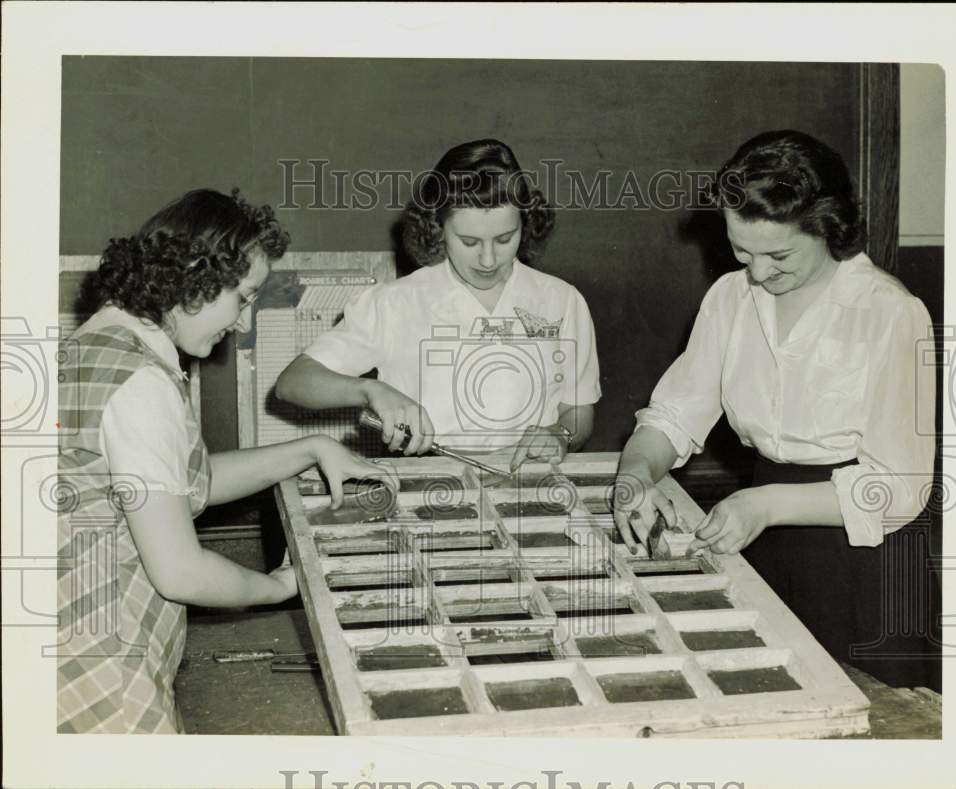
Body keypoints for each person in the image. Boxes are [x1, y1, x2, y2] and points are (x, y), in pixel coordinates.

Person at [57, 188, 388, 733]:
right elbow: (183, 573)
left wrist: (311, 448)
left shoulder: (102, 341)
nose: (242, 321)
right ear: (194, 279)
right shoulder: (141, 381)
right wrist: (280, 587)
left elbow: (190, 484)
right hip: (101, 663)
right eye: (244, 296)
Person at [613, 130, 937, 687]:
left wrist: (764, 504)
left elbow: (900, 488)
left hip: (860, 552)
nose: (758, 274)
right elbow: (673, 413)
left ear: (829, 228)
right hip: (761, 534)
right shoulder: (730, 297)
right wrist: (636, 474)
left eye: (779, 255)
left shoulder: (889, 313)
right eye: (743, 250)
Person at [276, 139, 601, 470]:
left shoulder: (561, 301)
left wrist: (559, 434)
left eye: (505, 239)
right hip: (427, 487)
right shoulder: (395, 303)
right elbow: (293, 383)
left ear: (526, 224)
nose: (488, 260)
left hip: (531, 490)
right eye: (469, 241)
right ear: (438, 227)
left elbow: (578, 409)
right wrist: (370, 391)